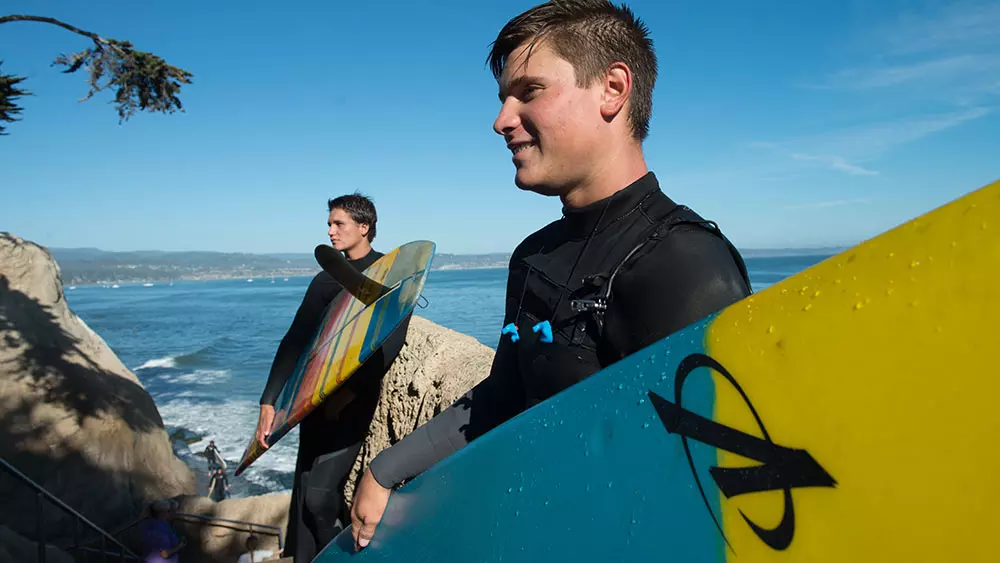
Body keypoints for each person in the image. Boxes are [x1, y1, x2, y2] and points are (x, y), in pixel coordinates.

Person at [347, 0, 752, 552]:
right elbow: (502, 397)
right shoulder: (534, 255)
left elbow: (713, 489)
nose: (501, 120)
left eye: (529, 91)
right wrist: (386, 468)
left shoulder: (683, 264)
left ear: (612, 89)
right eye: (502, 99)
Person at [254, 192, 410, 561]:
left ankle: (348, 555)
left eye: (338, 224)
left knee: (320, 494)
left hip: (352, 403)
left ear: (364, 227)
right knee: (308, 487)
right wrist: (268, 401)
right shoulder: (325, 281)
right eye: (329, 224)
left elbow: (391, 342)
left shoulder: (390, 272)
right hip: (315, 400)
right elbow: (295, 340)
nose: (331, 231)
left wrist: (349, 394)